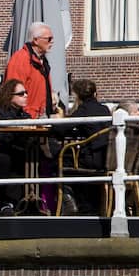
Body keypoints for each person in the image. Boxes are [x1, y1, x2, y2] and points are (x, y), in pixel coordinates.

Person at [57, 78, 111, 214]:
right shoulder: (104, 109)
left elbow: (61, 129)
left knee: (60, 161)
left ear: (78, 96)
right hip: (106, 157)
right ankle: (90, 204)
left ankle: (72, 200)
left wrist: (54, 123)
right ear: (95, 93)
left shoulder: (84, 109)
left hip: (93, 159)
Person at [0, 78, 33, 215]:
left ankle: (27, 201)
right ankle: (2, 202)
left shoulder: (24, 114)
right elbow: (0, 137)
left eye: (26, 93)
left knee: (35, 159)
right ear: (10, 96)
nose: (26, 95)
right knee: (6, 159)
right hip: (0, 150)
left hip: (18, 150)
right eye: (21, 94)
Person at [5, 21, 54, 119]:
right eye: (49, 39)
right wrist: (26, 116)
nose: (52, 42)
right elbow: (13, 93)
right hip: (28, 120)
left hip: (41, 117)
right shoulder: (21, 59)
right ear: (36, 40)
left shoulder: (42, 61)